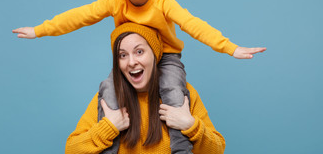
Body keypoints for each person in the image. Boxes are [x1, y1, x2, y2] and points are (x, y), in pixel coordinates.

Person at [12, 0, 266, 153]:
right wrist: (39, 30)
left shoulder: (162, 1)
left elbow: (192, 24)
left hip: (167, 56)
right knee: (107, 92)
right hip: (131, 80)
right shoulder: (114, 1)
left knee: (175, 94)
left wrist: (230, 48)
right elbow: (79, 16)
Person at [65, 22, 226, 154]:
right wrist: (108, 127)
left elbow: (217, 150)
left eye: (139, 51)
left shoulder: (183, 94)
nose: (131, 62)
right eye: (122, 55)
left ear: (154, 54)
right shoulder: (109, 99)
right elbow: (71, 149)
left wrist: (191, 125)